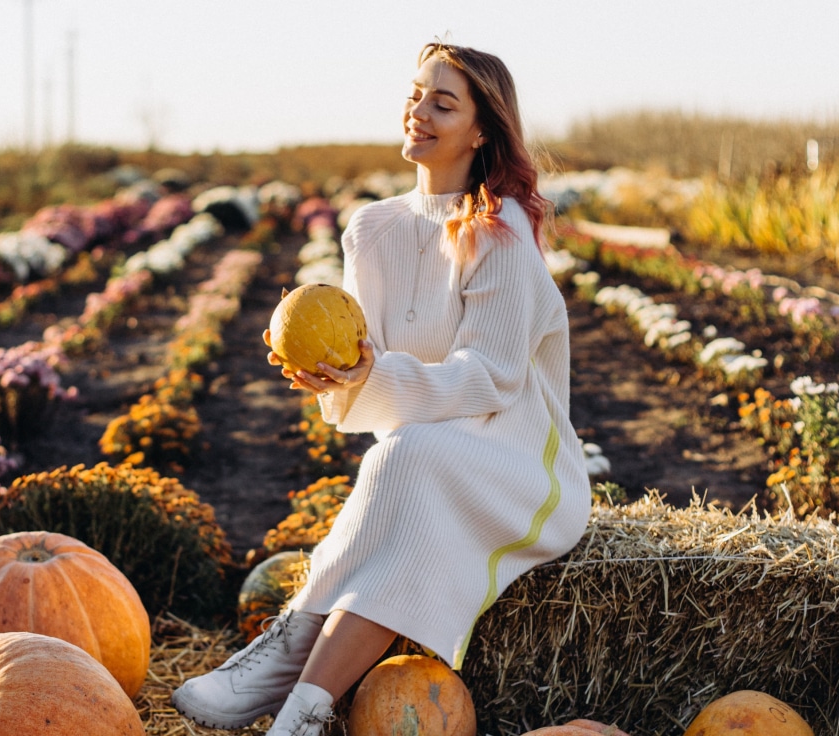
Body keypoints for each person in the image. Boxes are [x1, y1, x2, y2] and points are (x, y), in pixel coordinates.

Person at [172, 40, 592, 736]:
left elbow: (491, 378)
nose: (417, 110)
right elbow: (373, 386)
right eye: (416, 92)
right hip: (426, 452)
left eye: (442, 102)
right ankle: (301, 712)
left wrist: (372, 376)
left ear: (481, 130)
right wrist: (335, 379)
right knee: (402, 462)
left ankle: (283, 663)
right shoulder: (372, 229)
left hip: (524, 462)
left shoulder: (503, 230)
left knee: (405, 461)